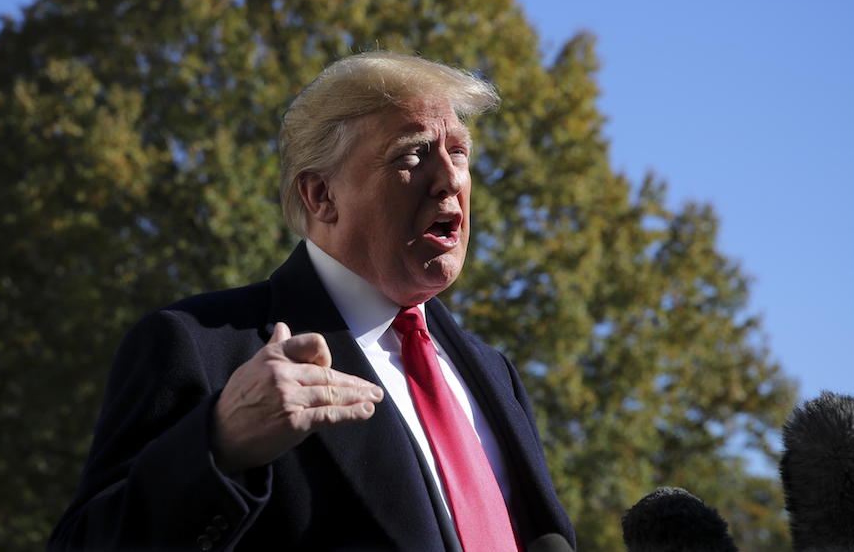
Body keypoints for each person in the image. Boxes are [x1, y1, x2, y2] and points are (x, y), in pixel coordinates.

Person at [49, 52, 576, 551]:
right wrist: (219, 447)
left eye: (458, 151)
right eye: (413, 153)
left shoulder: (494, 373)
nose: (451, 178)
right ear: (321, 196)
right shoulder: (200, 347)